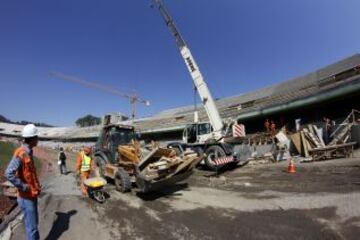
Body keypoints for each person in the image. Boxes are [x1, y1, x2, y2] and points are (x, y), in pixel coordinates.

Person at [5, 124, 41, 240]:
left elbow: (29, 173)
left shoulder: (28, 152)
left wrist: (35, 186)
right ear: (33, 138)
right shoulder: (21, 153)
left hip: (31, 195)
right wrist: (24, 187)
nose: (38, 140)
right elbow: (8, 173)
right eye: (37, 137)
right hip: (26, 197)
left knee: (33, 225)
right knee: (32, 228)